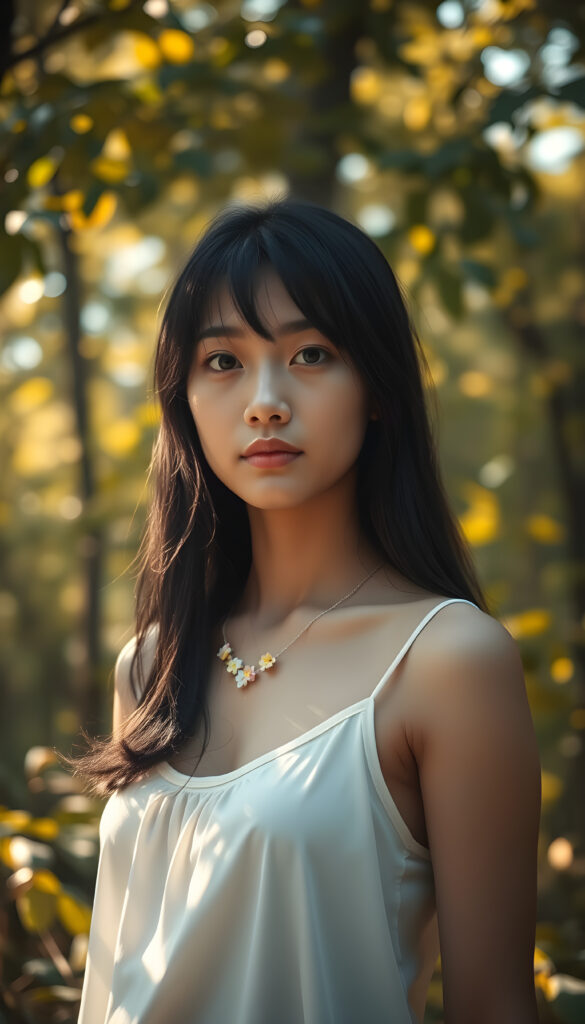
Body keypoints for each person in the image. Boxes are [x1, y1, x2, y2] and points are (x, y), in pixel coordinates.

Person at [66, 196, 541, 1024]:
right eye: (223, 361)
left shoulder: (447, 662)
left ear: (378, 389)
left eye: (311, 353)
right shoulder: (152, 665)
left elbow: (492, 1006)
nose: (264, 401)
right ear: (184, 399)